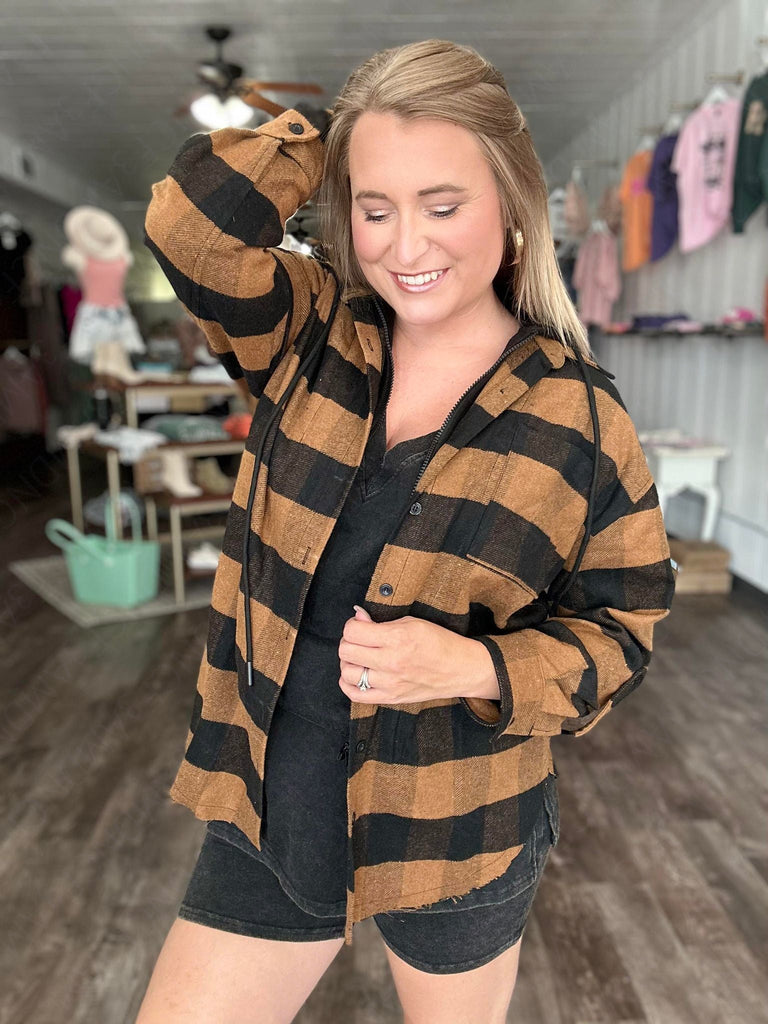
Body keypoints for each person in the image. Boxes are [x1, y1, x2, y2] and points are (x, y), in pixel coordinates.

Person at [136, 38, 675, 1024]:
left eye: (442, 205)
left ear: (512, 206)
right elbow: (191, 228)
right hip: (269, 801)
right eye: (375, 209)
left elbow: (623, 631)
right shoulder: (307, 331)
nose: (405, 247)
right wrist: (331, 137)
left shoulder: (580, 418)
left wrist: (472, 666)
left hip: (454, 830)